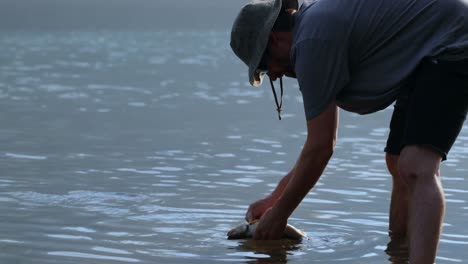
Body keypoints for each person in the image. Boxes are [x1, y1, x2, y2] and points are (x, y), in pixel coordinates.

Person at [230, 0, 468, 263]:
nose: (273, 76)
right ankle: (399, 254)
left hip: (453, 39)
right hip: (426, 52)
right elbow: (316, 147)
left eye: (265, 66)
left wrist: (280, 214)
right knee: (398, 161)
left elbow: (321, 147)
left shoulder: (311, 42)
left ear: (273, 40)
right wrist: (275, 200)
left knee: (417, 166)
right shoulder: (312, 32)